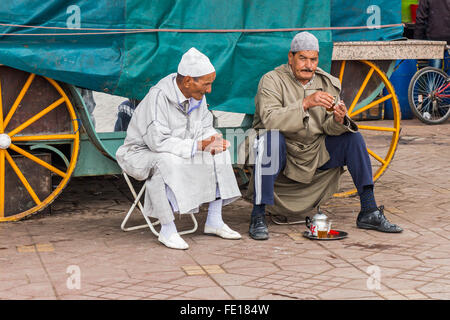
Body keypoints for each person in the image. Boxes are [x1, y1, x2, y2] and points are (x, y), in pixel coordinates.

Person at [246, 32, 403, 240]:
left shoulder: (328, 82)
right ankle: (258, 215)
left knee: (352, 138)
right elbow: (270, 120)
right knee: (270, 141)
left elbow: (328, 128)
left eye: (313, 59)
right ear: (290, 58)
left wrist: (339, 120)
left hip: (314, 152)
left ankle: (369, 210)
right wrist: (305, 103)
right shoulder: (272, 81)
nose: (308, 65)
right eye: (302, 58)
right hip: (284, 152)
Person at [116, 47, 242, 250]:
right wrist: (198, 145)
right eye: (206, 84)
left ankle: (214, 221)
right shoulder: (158, 97)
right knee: (164, 162)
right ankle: (167, 230)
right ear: (188, 81)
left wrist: (212, 140)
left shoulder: (197, 95)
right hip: (140, 153)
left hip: (179, 149)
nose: (209, 90)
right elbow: (158, 142)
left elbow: (204, 126)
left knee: (219, 154)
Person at [414, 0, 450, 68]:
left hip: (435, 40)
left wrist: (417, 41)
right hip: (446, 36)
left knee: (434, 74)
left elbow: (420, 19)